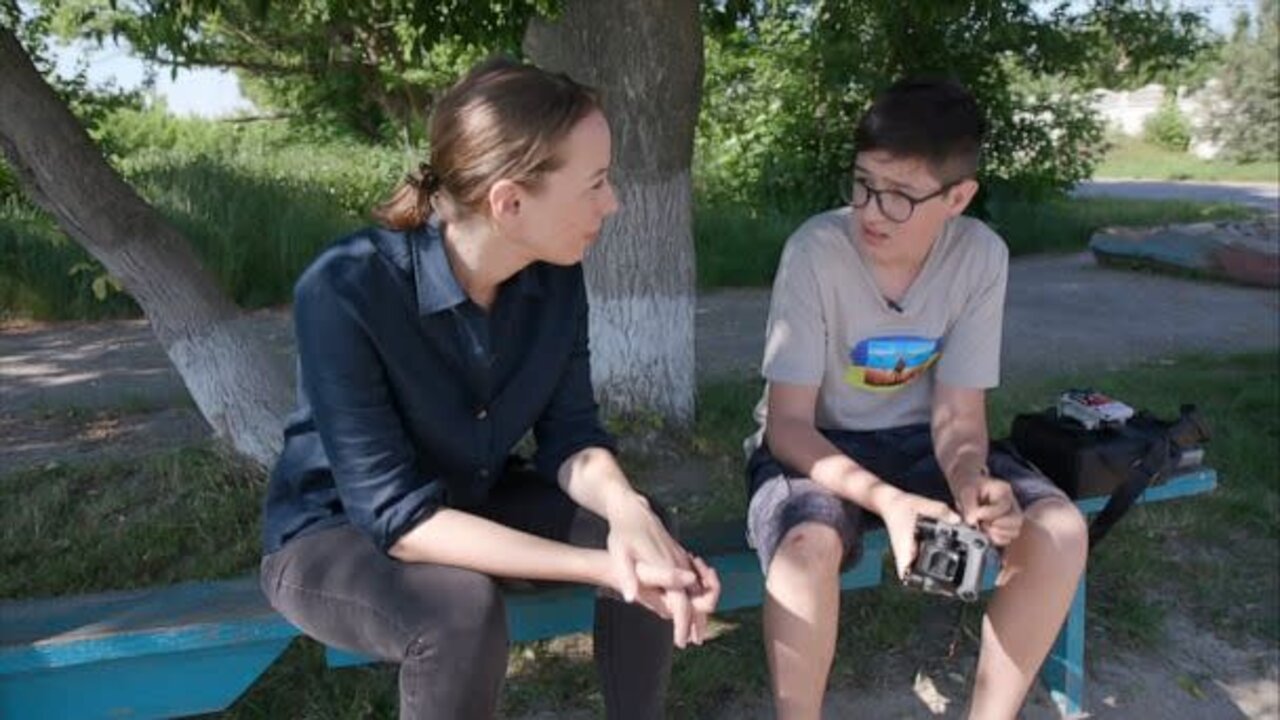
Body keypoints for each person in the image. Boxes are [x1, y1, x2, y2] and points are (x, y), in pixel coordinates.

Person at [260, 57, 720, 720]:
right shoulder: (346, 289)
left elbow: (574, 440)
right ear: (509, 202)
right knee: (459, 610)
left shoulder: (553, 275)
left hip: (472, 495)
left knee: (648, 532)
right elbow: (398, 520)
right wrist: (606, 570)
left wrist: (631, 517)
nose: (611, 202)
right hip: (335, 537)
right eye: (594, 183)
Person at [743, 79, 1089, 720]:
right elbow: (788, 426)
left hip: (919, 440)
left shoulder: (981, 257)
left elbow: (959, 414)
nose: (872, 211)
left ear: (958, 197)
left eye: (900, 196)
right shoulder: (814, 252)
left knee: (1059, 528)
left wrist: (969, 480)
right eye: (863, 184)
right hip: (820, 442)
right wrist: (891, 502)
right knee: (806, 547)